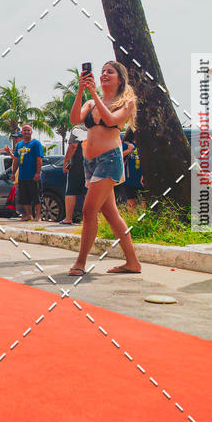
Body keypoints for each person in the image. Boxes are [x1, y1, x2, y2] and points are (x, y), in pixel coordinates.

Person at [68, 61, 142, 276]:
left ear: (120, 78)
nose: (104, 74)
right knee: (111, 214)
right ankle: (133, 262)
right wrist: (82, 90)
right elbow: (74, 119)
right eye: (102, 72)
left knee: (88, 210)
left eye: (110, 72)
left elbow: (110, 120)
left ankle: (80, 263)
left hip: (109, 160)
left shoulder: (126, 103)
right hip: (89, 163)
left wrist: (94, 93)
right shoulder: (90, 102)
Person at [13, 125, 44, 221]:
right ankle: (28, 215)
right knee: (24, 198)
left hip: (33, 176)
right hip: (22, 176)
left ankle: (38, 216)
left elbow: (39, 159)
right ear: (21, 132)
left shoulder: (36, 143)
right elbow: (16, 160)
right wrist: (13, 173)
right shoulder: (19, 145)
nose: (26, 132)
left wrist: (38, 173)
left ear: (31, 132)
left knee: (36, 197)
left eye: (28, 130)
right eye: (24, 130)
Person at [61, 127, 87, 224]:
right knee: (87, 191)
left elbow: (73, 146)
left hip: (78, 163)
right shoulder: (94, 125)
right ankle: (88, 219)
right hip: (92, 161)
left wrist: (66, 162)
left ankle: (68, 218)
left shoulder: (77, 129)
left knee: (71, 191)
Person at [120, 128, 144, 211]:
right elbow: (118, 157)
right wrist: (129, 150)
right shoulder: (126, 144)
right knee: (131, 202)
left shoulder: (144, 145)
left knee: (145, 201)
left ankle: (144, 220)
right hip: (129, 178)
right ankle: (132, 220)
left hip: (142, 178)